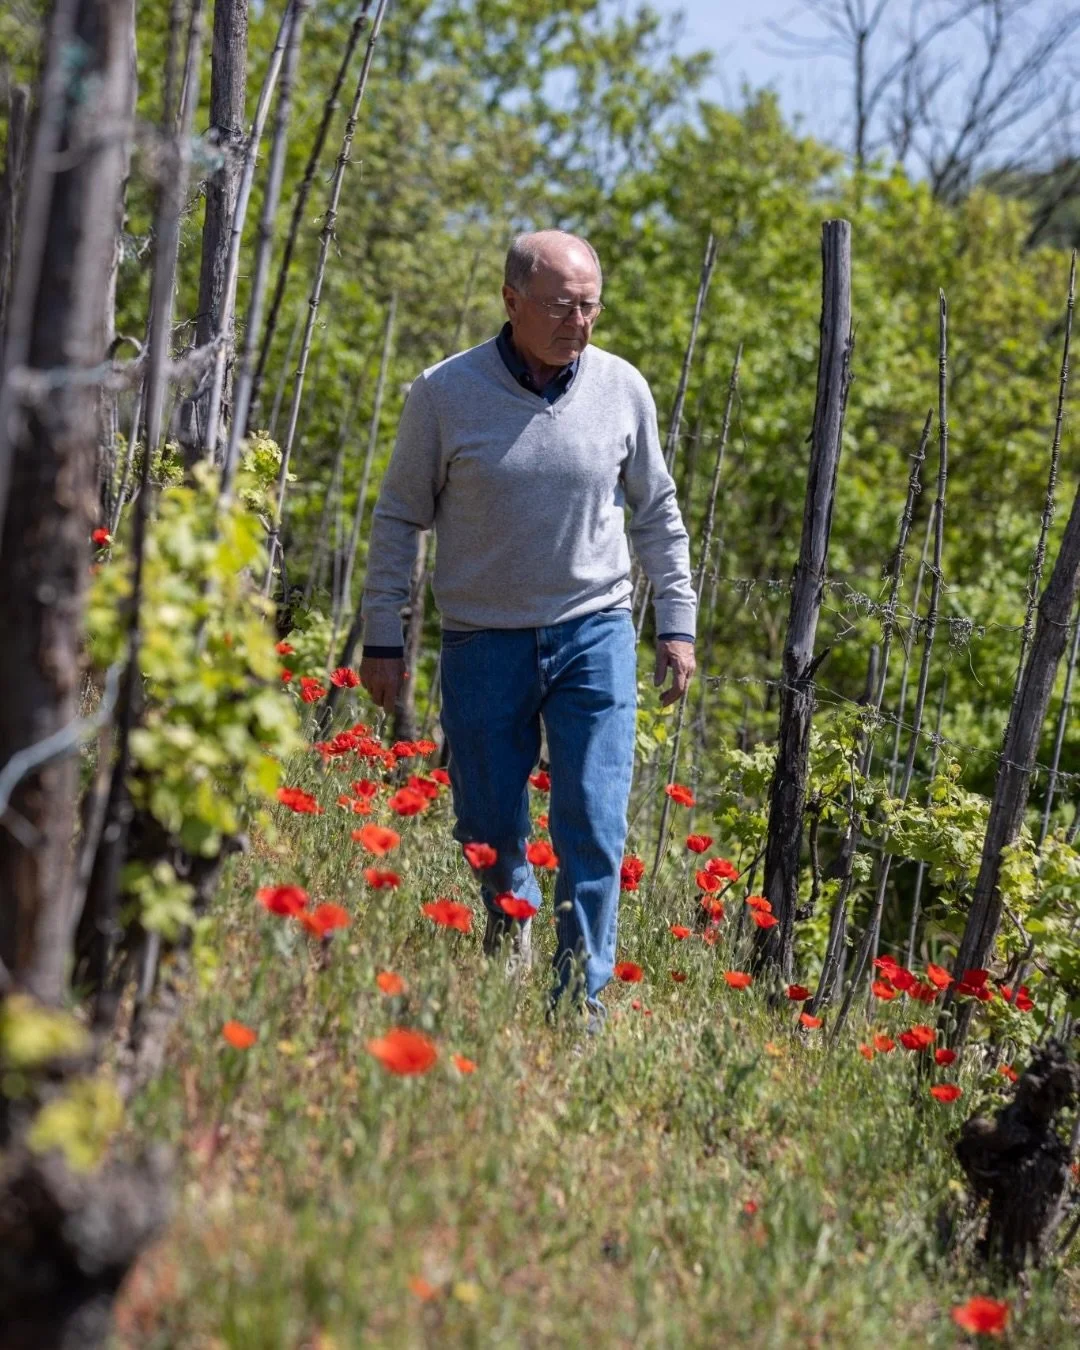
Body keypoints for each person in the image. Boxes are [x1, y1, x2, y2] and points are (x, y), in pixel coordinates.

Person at [359, 229, 696, 1030]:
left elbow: (658, 512)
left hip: (594, 629)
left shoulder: (623, 389)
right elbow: (400, 516)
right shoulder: (443, 394)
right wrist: (382, 632)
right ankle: (509, 929)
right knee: (488, 818)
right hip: (483, 638)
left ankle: (577, 1003)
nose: (578, 321)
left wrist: (676, 624)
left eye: (589, 305)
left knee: (593, 812)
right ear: (511, 302)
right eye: (559, 305)